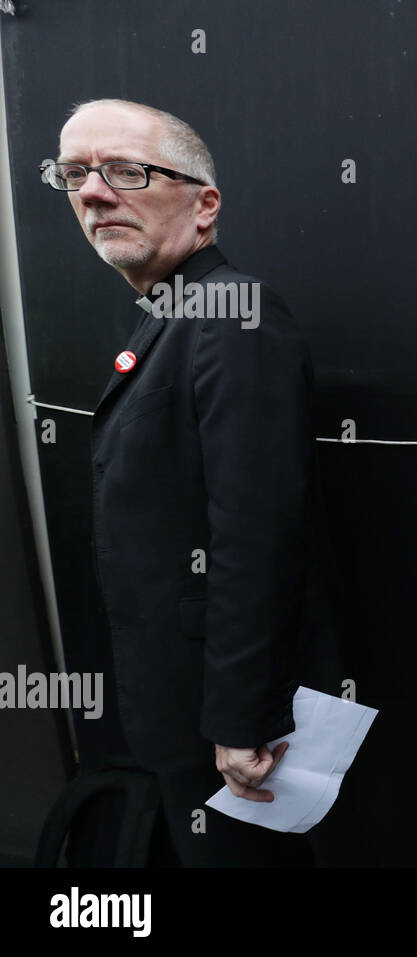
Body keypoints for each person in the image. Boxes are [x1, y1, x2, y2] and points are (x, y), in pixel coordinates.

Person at [44, 99, 334, 865]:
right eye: (75, 173)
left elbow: (258, 537)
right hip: (182, 715)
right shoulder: (173, 315)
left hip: (233, 734)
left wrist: (243, 720)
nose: (94, 192)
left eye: (127, 170)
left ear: (204, 205)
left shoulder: (234, 317)